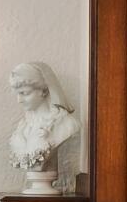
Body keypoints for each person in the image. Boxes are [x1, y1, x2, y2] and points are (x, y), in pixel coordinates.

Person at [7, 63, 78, 192]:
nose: (19, 100)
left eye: (25, 93)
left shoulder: (66, 123)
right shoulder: (23, 127)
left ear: (44, 91)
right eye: (18, 94)